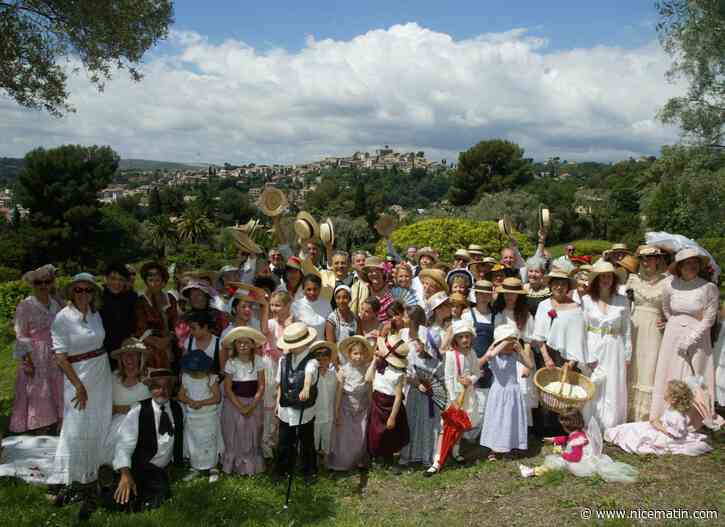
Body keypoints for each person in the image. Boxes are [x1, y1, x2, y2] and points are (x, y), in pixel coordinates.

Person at [50, 273, 111, 521]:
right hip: (78, 377)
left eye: (88, 290)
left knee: (99, 422)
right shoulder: (63, 318)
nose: (83, 294)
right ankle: (77, 480)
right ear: (71, 292)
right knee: (77, 427)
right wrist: (78, 385)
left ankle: (95, 475)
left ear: (93, 293)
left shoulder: (95, 314)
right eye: (78, 290)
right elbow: (60, 356)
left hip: (101, 372)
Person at [651, 249, 719, 426]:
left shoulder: (708, 288)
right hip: (672, 336)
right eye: (688, 263)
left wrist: (691, 338)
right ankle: (667, 414)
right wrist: (673, 323)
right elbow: (666, 308)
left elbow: (709, 319)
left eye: (695, 262)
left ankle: (694, 418)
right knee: (670, 372)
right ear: (679, 267)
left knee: (694, 376)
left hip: (698, 337)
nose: (692, 266)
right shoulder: (670, 285)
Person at [112, 369, 184, 512]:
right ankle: (105, 489)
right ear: (150, 389)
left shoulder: (178, 409)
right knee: (122, 499)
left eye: (166, 386)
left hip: (159, 469)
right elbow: (124, 443)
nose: (162, 391)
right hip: (139, 465)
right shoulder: (139, 409)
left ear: (172, 389)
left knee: (158, 494)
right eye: (157, 386)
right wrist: (125, 474)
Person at [532, 267, 587, 437]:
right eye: (555, 283)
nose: (559, 287)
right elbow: (539, 335)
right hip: (547, 353)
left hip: (569, 357)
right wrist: (546, 358)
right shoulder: (544, 305)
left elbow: (579, 338)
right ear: (550, 286)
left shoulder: (577, 308)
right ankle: (545, 429)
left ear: (568, 287)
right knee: (547, 391)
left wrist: (571, 362)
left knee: (566, 393)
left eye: (563, 284)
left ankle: (565, 429)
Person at [10, 264, 63, 435]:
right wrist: (27, 360)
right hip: (36, 355)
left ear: (52, 283)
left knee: (57, 387)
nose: (43, 286)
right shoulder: (25, 305)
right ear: (33, 284)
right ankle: (40, 429)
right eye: (38, 282)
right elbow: (20, 333)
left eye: (47, 282)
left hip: (56, 353)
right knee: (38, 391)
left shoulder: (56, 304)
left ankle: (57, 426)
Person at [519, 409, 638, 483]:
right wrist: (555, 439)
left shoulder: (577, 438)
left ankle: (532, 471)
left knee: (555, 463)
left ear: (566, 427)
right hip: (587, 458)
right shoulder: (580, 432)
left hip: (581, 463)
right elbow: (567, 438)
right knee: (557, 461)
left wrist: (562, 453)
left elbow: (574, 457)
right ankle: (533, 471)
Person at [425, 320, 479, 476]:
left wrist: (471, 380)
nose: (464, 340)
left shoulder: (473, 353)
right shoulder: (450, 355)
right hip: (454, 396)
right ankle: (437, 460)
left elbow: (476, 372)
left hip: (468, 395)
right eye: (461, 337)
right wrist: (453, 398)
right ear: (455, 338)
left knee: (462, 425)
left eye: (467, 336)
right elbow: (448, 378)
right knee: (446, 427)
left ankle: (455, 451)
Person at [582, 260, 631, 431]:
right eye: (602, 276)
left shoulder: (623, 301)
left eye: (609, 276)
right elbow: (581, 329)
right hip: (593, 344)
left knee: (613, 383)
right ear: (596, 279)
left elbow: (627, 331)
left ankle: (611, 424)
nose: (606, 279)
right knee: (593, 382)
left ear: (614, 279)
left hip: (614, 346)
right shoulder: (587, 300)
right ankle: (591, 421)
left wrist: (627, 355)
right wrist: (585, 355)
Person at [605, 380, 712, 456]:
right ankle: (616, 432)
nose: (664, 393)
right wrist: (657, 422)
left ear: (674, 399)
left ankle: (617, 435)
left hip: (666, 436)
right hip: (659, 428)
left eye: (667, 392)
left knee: (639, 434)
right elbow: (666, 421)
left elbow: (674, 434)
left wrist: (657, 425)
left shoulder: (678, 417)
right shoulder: (672, 409)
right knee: (634, 427)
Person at [273, 323, 320, 484]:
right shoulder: (283, 360)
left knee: (306, 441)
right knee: (284, 441)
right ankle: (282, 469)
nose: (291, 348)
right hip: (286, 407)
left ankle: (309, 471)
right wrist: (278, 402)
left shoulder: (312, 362)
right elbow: (281, 382)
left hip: (304, 410)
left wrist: (306, 387)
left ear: (304, 343)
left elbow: (309, 374)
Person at [479, 325, 534, 460]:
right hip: (498, 393)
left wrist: (520, 350)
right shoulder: (494, 356)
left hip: (513, 391)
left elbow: (530, 365)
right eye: (508, 344)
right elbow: (489, 355)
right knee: (497, 419)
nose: (510, 347)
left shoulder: (514, 355)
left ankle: (510, 445)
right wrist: (501, 343)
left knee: (511, 419)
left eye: (512, 344)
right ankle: (493, 447)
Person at [626, 245, 667, 421]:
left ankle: (647, 414)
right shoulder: (633, 280)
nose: (646, 262)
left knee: (650, 367)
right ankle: (628, 412)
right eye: (643, 258)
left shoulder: (668, 281)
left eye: (650, 258)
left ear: (658, 260)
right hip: (635, 326)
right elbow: (624, 306)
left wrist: (668, 320)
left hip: (655, 330)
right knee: (633, 365)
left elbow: (674, 307)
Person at [399, 307, 442, 468]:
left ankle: (425, 454)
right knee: (410, 419)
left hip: (426, 386)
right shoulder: (403, 334)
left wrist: (425, 380)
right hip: (410, 387)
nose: (402, 318)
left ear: (412, 319)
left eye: (405, 315)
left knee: (426, 421)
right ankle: (408, 454)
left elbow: (435, 360)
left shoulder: (427, 335)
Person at [221, 326, 266, 475]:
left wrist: (252, 405)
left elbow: (261, 385)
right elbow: (228, 388)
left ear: (253, 344)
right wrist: (240, 407)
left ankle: (251, 466)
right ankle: (235, 465)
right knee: (235, 433)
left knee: (252, 433)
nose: (243, 345)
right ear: (235, 345)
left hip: (253, 402)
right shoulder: (231, 363)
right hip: (234, 403)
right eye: (239, 342)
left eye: (246, 342)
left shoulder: (258, 361)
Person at [493, 277, 537, 427]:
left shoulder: (525, 315)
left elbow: (528, 341)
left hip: (520, 356)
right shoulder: (499, 313)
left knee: (521, 392)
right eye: (506, 294)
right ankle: (504, 425)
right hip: (502, 357)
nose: (509, 297)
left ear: (519, 295)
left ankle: (521, 426)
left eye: (513, 294)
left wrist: (525, 364)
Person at [328, 336, 373, 471]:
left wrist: (371, 408)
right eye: (355, 353)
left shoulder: (367, 370)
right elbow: (339, 393)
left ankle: (359, 460)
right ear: (349, 354)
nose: (358, 357)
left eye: (361, 353)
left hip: (362, 408)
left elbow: (370, 391)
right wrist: (336, 412)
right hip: (346, 408)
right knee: (345, 437)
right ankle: (342, 462)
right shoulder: (344, 370)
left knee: (361, 435)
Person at [102, 338, 151, 466]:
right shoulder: (113, 377)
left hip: (144, 421)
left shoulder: (150, 375)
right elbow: (106, 405)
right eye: (125, 354)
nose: (129, 357)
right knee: (119, 436)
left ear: (140, 357)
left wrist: (131, 410)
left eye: (134, 354)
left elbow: (159, 401)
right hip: (117, 423)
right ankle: (118, 468)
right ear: (121, 358)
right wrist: (127, 409)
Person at [177, 350, 223, 482]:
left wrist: (201, 402)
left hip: (208, 416)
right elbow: (181, 395)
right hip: (193, 417)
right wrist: (190, 401)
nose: (196, 373)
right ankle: (195, 466)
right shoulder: (186, 377)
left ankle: (213, 466)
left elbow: (217, 398)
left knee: (209, 441)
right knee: (194, 441)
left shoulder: (211, 378)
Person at [366, 334, 409, 472]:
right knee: (376, 432)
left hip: (390, 406)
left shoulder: (398, 373)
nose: (377, 350)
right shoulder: (379, 367)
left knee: (389, 434)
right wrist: (373, 362)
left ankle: (388, 458)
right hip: (377, 403)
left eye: (379, 349)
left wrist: (392, 416)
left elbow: (398, 397)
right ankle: (377, 457)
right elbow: (368, 379)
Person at [260, 290, 293, 459]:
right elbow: (264, 329)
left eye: (277, 305)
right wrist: (265, 307)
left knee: (282, 404)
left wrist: (288, 325)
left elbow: (291, 344)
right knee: (269, 404)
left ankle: (282, 443)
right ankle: (267, 444)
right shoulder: (272, 323)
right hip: (271, 367)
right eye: (272, 305)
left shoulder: (292, 323)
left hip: (286, 367)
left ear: (287, 305)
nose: (274, 308)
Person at [461, 280, 496, 439]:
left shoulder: (496, 315)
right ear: (475, 294)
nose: (483, 296)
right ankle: (467, 432)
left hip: (492, 362)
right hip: (472, 360)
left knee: (485, 399)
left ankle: (480, 432)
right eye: (480, 293)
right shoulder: (467, 314)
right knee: (469, 399)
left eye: (486, 293)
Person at [134, 262, 178, 369]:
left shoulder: (170, 298)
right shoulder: (141, 301)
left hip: (170, 345)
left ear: (163, 282)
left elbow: (175, 324)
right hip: (150, 348)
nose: (154, 284)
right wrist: (158, 343)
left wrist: (167, 340)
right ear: (146, 282)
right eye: (150, 280)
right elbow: (140, 329)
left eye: (157, 280)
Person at [100, 262, 138, 370]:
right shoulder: (97, 299)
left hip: (127, 352)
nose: (116, 283)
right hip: (103, 354)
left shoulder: (132, 298)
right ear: (105, 279)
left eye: (121, 279)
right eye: (113, 278)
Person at [310, 342, 337, 466]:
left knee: (327, 438)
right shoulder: (311, 375)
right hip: (314, 414)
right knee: (314, 439)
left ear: (329, 360)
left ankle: (326, 461)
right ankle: (313, 462)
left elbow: (337, 394)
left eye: (325, 359)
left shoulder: (334, 375)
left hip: (329, 413)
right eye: (318, 359)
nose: (321, 362)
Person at [351, 256, 394, 321]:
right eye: (370, 271)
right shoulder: (365, 289)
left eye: (376, 270)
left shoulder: (392, 289)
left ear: (382, 272)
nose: (373, 274)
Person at [181, 310, 223, 375]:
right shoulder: (189, 342)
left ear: (205, 327)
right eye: (190, 328)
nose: (191, 332)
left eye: (194, 328)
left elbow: (223, 371)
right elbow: (183, 367)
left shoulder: (219, 344)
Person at [292, 274, 332, 340]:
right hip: (301, 348)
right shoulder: (295, 306)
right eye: (309, 289)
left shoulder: (327, 305)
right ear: (303, 289)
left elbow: (330, 330)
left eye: (315, 289)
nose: (312, 293)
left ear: (320, 288)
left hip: (320, 347)